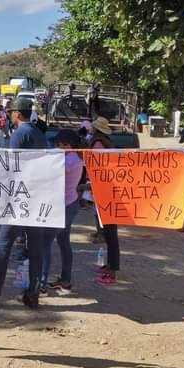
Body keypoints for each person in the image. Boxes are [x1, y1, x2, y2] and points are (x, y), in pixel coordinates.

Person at [0, 97, 48, 310]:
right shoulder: (38, 133)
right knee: (35, 248)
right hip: (35, 196)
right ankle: (32, 294)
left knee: (2, 245)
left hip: (19, 198)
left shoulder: (20, 133)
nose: (9, 115)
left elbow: (12, 167)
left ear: (17, 113)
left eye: (11, 112)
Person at [41, 130, 83, 293]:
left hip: (64, 206)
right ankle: (65, 279)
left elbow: (50, 172)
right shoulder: (73, 157)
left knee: (45, 244)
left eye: (58, 145)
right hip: (69, 203)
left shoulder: (69, 160)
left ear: (68, 145)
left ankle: (41, 283)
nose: (55, 147)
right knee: (63, 242)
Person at [87, 117, 120, 285]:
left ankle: (112, 271)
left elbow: (98, 167)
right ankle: (110, 266)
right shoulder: (105, 142)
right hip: (107, 189)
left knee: (110, 233)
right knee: (109, 232)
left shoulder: (98, 144)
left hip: (105, 190)